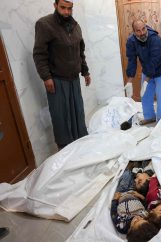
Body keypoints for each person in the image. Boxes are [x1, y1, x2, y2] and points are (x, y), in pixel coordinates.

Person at [33, 0, 90, 150]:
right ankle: (64, 149)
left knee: (77, 112)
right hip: (56, 80)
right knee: (61, 116)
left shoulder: (76, 26)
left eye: (69, 8)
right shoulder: (44, 24)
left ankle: (81, 145)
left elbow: (80, 52)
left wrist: (85, 71)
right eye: (63, 8)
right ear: (55, 5)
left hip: (74, 79)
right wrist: (46, 77)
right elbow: (39, 54)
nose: (66, 12)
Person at [126, 20, 161, 125]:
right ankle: (149, 116)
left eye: (143, 29)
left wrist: (146, 81)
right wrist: (129, 81)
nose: (142, 33)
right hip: (147, 70)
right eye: (138, 31)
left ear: (146, 27)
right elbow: (131, 60)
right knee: (145, 95)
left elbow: (154, 60)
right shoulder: (131, 41)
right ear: (133, 32)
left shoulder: (154, 38)